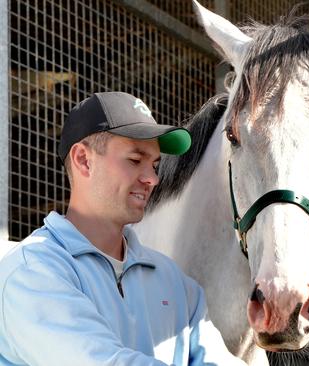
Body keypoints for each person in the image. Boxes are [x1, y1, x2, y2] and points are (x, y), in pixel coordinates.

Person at [0, 92, 245, 366]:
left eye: (154, 165)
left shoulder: (175, 283)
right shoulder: (30, 271)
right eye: (134, 160)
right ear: (83, 160)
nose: (152, 178)